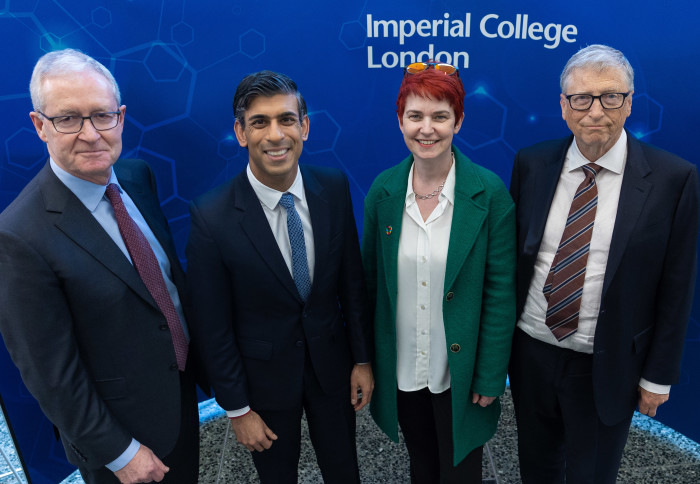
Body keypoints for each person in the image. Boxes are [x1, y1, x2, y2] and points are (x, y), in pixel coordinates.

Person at [0, 49, 200, 484]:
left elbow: (162, 283)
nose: (90, 134)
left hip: (178, 396)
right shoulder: (18, 236)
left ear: (121, 117)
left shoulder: (136, 176)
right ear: (39, 126)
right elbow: (50, 372)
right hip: (121, 439)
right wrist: (119, 452)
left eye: (102, 115)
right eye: (68, 119)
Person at [509, 44, 699, 483]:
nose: (595, 109)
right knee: (536, 469)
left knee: (592, 475)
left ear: (630, 102)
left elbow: (678, 285)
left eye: (610, 96)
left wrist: (658, 376)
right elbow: (514, 261)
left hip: (607, 364)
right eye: (582, 98)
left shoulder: (674, 180)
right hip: (531, 353)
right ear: (563, 106)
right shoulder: (532, 163)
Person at [186, 70, 373, 484]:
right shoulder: (211, 217)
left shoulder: (333, 187)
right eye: (259, 122)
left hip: (332, 368)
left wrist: (362, 359)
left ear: (304, 126)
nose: (275, 135)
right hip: (263, 385)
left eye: (286, 119)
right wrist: (236, 409)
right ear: (240, 132)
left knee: (345, 471)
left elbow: (351, 284)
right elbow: (212, 326)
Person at [362, 61, 516, 483]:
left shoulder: (489, 194)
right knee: (422, 465)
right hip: (405, 368)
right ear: (400, 120)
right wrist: (369, 362)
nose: (426, 128)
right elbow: (371, 287)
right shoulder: (383, 192)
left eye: (440, 116)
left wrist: (489, 374)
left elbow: (501, 293)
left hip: (461, 375)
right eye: (415, 115)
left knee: (461, 469)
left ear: (459, 121)